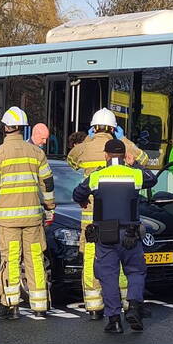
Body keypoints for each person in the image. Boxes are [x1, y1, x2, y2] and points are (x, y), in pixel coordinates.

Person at [66, 108, 148, 319]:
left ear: (93, 128)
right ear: (114, 128)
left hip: (92, 216)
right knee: (122, 262)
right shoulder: (125, 147)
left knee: (93, 259)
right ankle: (125, 301)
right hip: (121, 215)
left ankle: (94, 306)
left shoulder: (83, 148)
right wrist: (126, 141)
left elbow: (71, 162)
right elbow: (145, 161)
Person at [0, 107, 56, 320]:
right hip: (33, 219)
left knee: (11, 261)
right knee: (35, 259)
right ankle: (40, 304)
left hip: (9, 221)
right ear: (23, 128)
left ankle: (11, 306)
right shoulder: (37, 153)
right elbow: (47, 184)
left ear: (5, 128)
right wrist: (50, 209)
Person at [72, 139, 158, 334]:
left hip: (105, 235)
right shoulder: (134, 174)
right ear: (124, 155)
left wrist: (85, 198)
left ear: (106, 155)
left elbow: (77, 194)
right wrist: (134, 163)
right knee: (135, 272)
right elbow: (152, 179)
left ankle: (114, 320)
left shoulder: (97, 176)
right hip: (130, 234)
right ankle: (134, 307)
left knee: (108, 276)